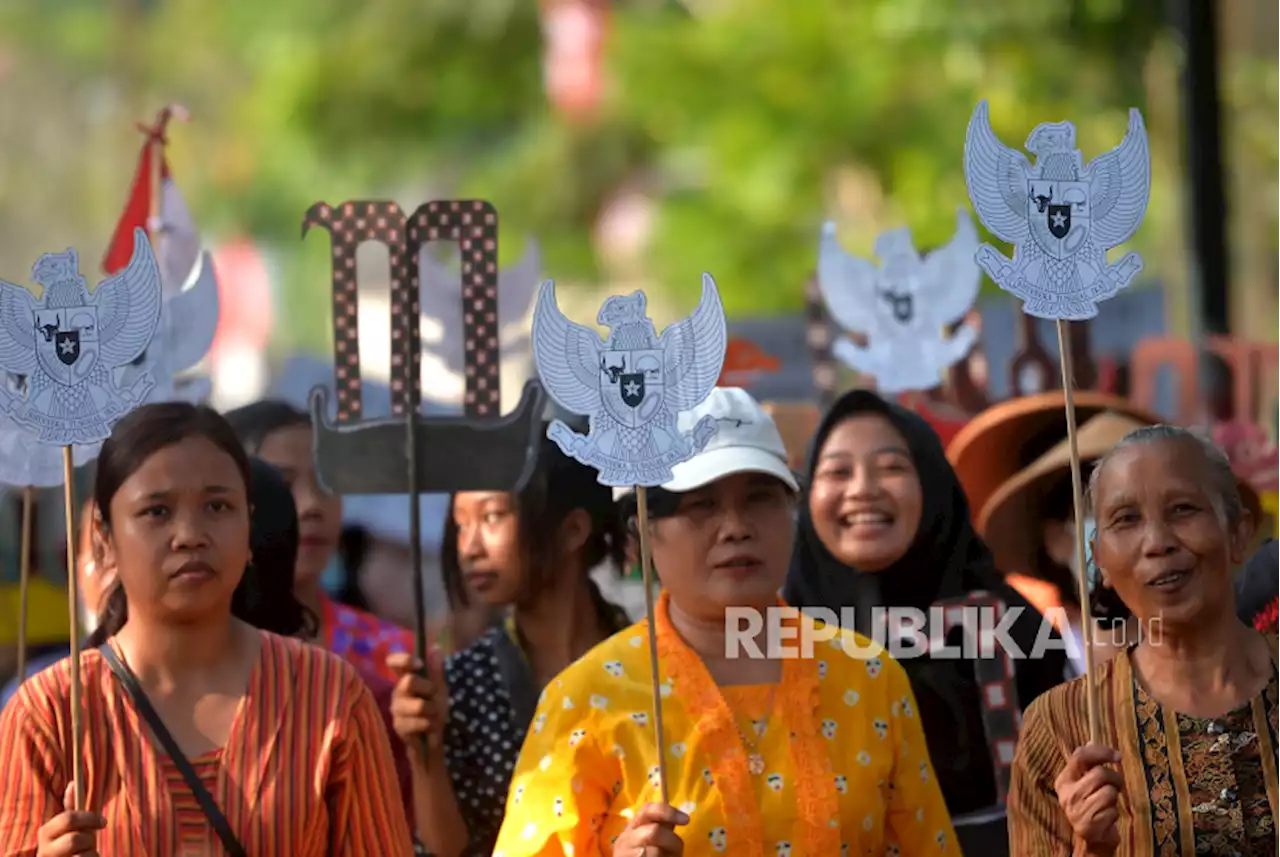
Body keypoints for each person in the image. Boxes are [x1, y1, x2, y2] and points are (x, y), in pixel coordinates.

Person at [493, 388, 956, 856]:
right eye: (701, 505)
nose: (735, 526)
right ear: (643, 531)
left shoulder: (869, 676)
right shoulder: (586, 701)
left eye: (758, 499)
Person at [0, 402, 412, 856]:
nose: (190, 534)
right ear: (105, 538)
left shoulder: (330, 697)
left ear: (249, 524)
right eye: (157, 511)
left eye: (217, 506)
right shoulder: (49, 714)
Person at [783, 389, 1066, 855]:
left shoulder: (1015, 628)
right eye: (837, 471)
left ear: (932, 484)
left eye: (891, 467)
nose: (862, 489)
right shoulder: (768, 637)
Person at [1008, 424, 1277, 856]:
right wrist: (1090, 847)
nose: (1157, 542)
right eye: (1126, 520)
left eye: (1184, 509)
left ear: (1239, 534)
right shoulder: (1059, 725)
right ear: (1102, 564)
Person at [388, 428, 633, 857]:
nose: (470, 548)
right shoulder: (459, 684)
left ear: (573, 530)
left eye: (493, 517)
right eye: (461, 525)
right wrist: (424, 752)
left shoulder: (649, 666)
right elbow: (447, 851)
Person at [223, 399, 421, 683]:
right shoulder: (187, 658)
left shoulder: (396, 658)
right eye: (283, 485)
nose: (312, 505)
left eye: (327, 484)